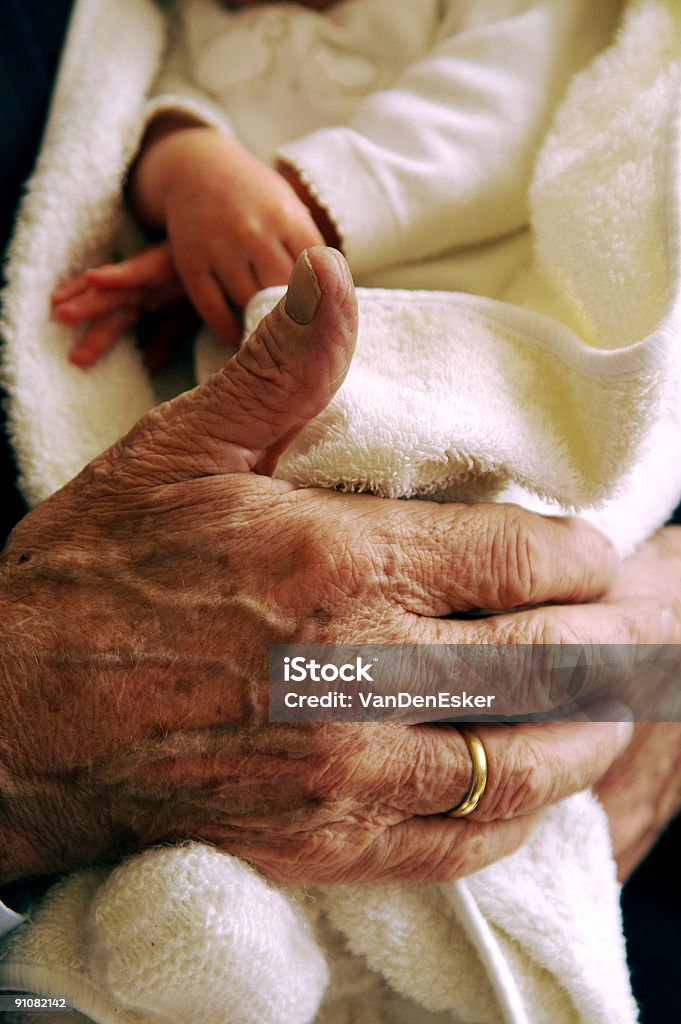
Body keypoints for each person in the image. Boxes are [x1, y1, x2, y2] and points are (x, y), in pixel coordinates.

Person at [1, 1, 680, 1020]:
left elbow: (531, 81)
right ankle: (200, 946)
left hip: (458, 380)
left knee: (451, 718)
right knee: (276, 759)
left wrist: (310, 190)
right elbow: (127, 111)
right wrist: (184, 165)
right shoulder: (146, 20)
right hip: (239, 457)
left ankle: (463, 943)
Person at [50, 0, 622, 365]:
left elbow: (506, 112)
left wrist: (254, 228)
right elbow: (140, 119)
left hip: (462, 338)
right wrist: (186, 164)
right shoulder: (187, 18)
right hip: (259, 361)